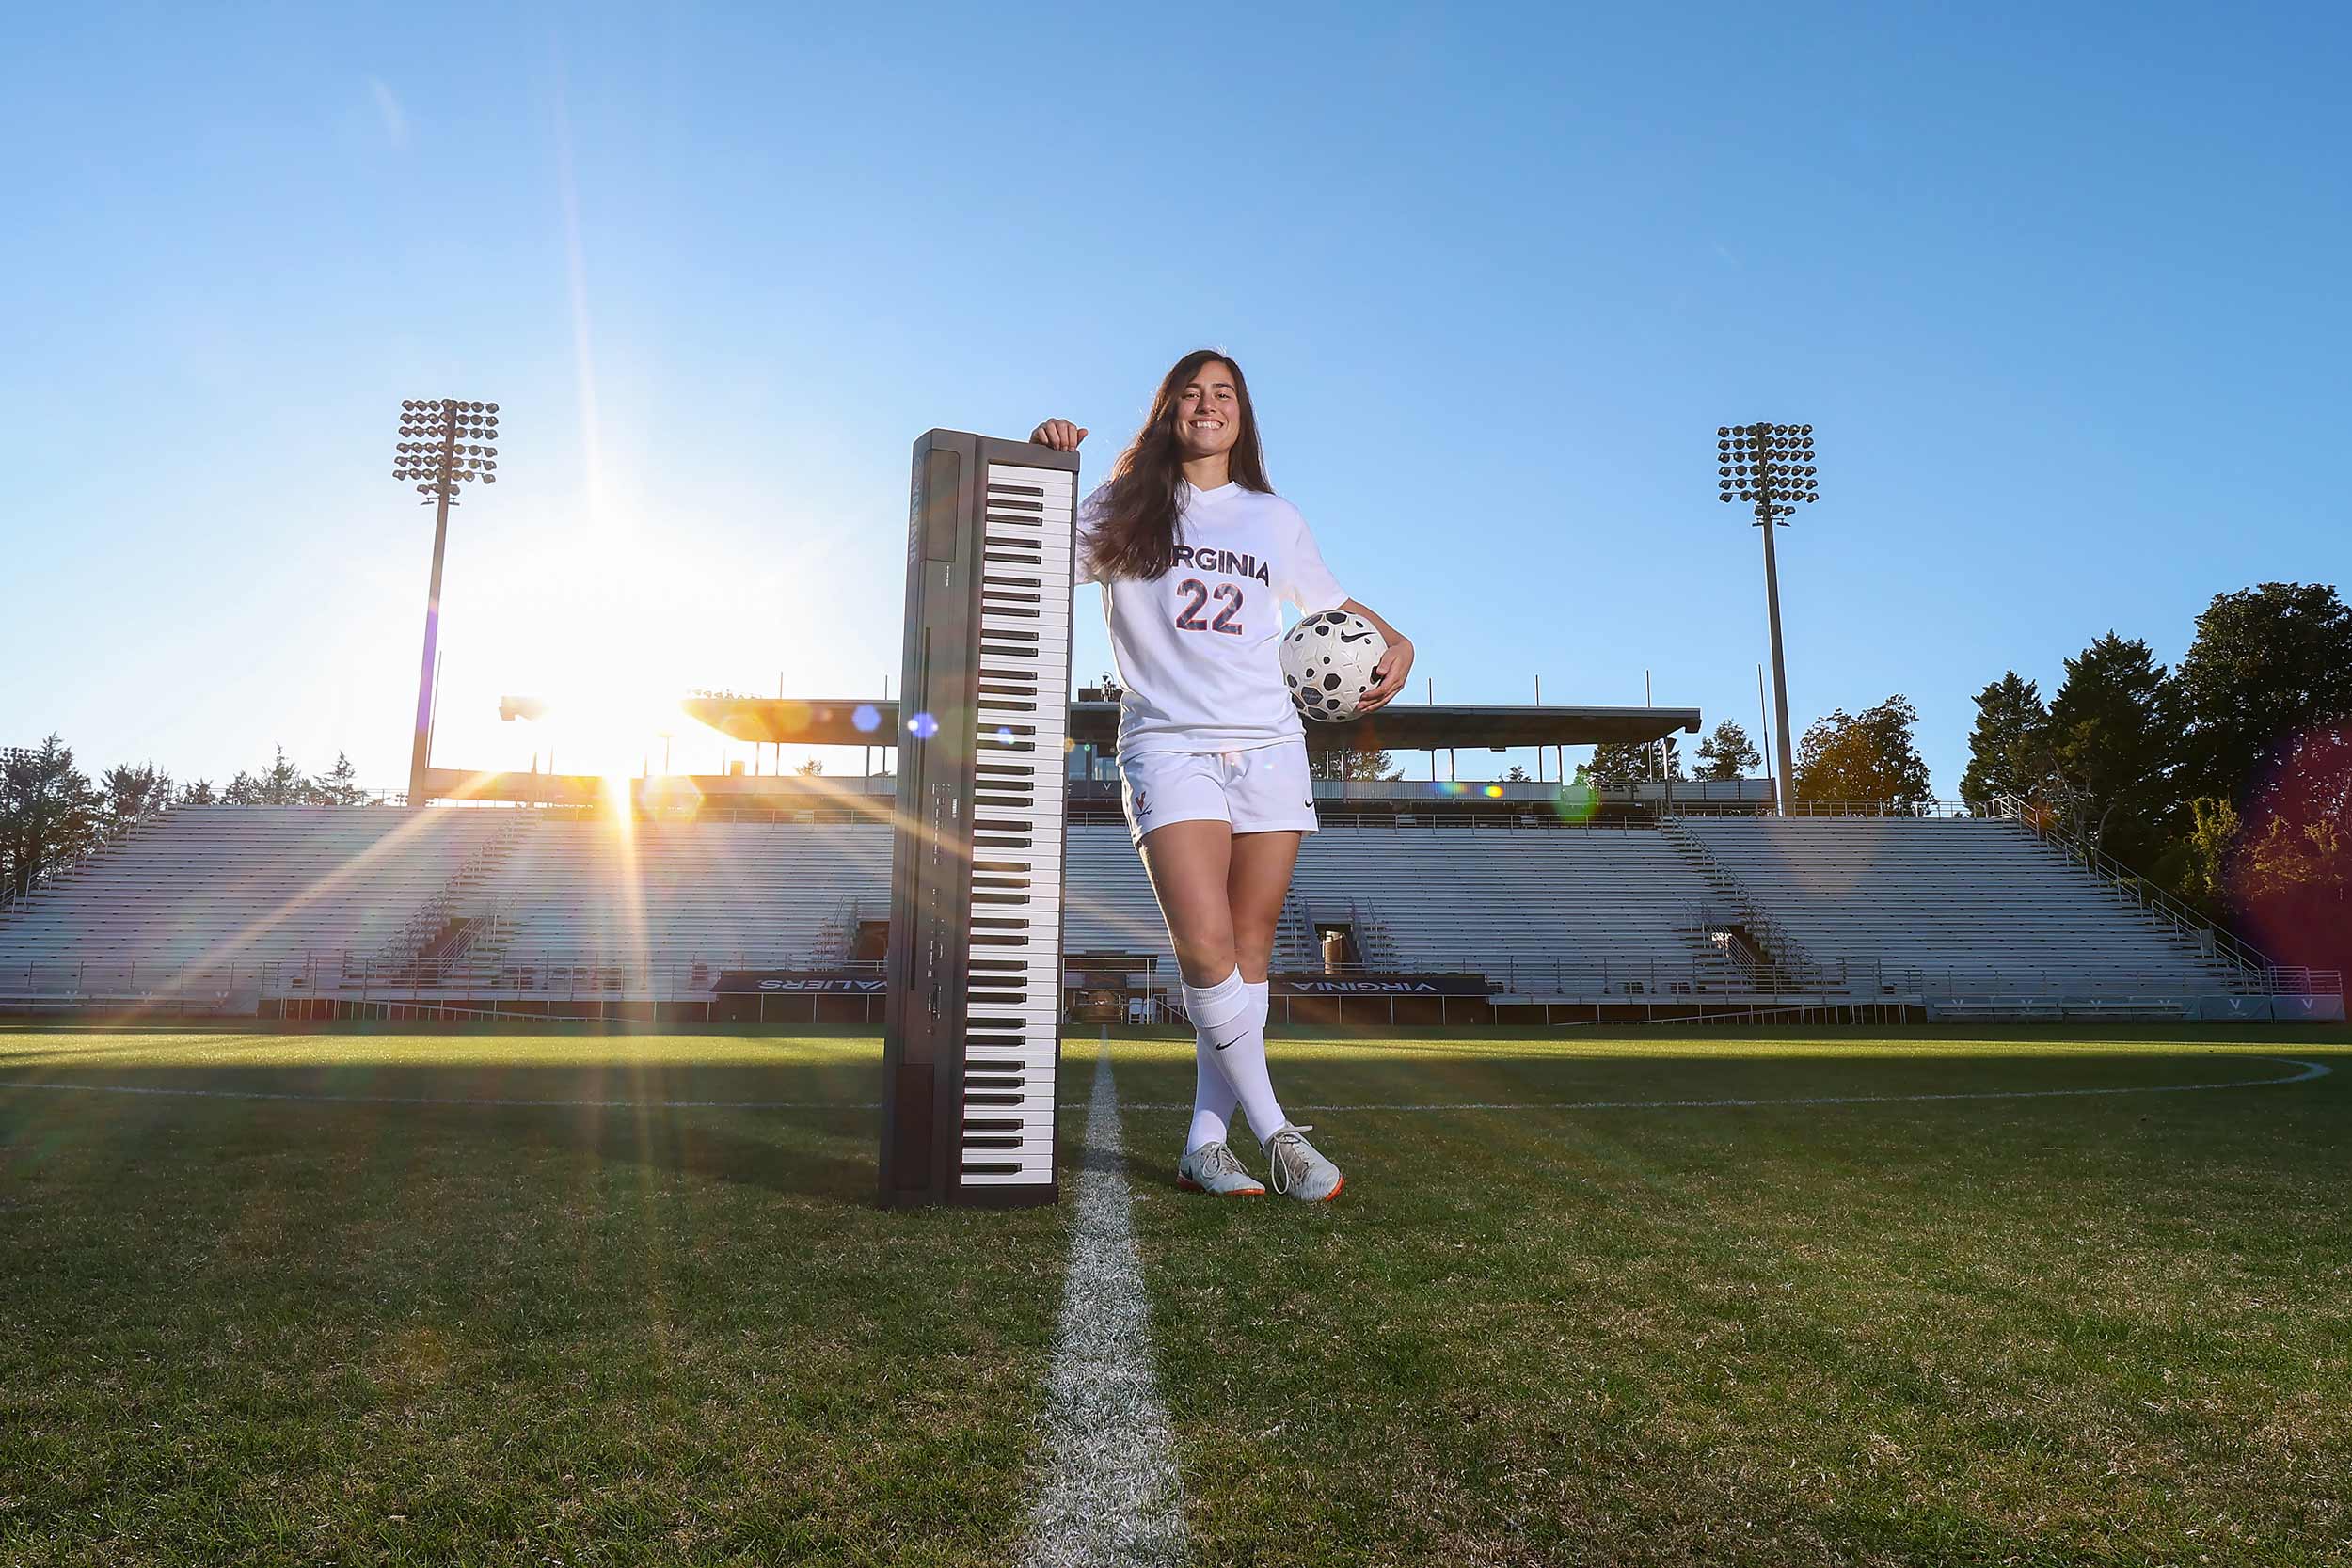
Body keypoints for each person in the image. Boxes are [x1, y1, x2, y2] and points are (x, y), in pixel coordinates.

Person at [1032, 349, 1413, 1202]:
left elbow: (1335, 605)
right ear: (1168, 410)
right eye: (1191, 394)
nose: (1207, 406)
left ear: (1242, 414)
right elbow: (1039, 560)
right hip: (1168, 741)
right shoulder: (1126, 505)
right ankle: (1278, 1131)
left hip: (1271, 744)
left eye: (1224, 394)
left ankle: (1206, 1142)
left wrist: (1402, 641)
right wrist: (1049, 469)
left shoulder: (1273, 518)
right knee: (1203, 947)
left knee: (1245, 954)